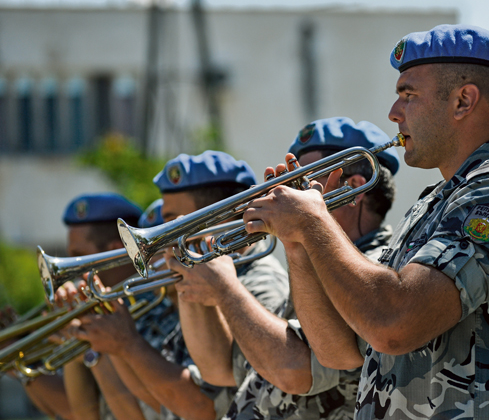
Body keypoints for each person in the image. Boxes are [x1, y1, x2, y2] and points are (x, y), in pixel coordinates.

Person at [242, 24, 489, 419]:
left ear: (463, 101)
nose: (394, 113)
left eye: (409, 95)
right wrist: (297, 240)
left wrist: (314, 222)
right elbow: (339, 352)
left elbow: (394, 323)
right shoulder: (438, 200)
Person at [165, 117, 399, 419]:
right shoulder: (314, 263)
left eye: (302, 184)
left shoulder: (376, 266)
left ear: (353, 188)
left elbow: (294, 371)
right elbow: (222, 369)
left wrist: (227, 288)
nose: (288, 194)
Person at [69, 151, 289, 420]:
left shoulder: (263, 282)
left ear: (220, 217)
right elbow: (153, 408)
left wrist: (125, 345)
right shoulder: (191, 278)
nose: (164, 235)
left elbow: (205, 406)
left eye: (174, 222)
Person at [58, 193, 149, 420]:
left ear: (116, 250)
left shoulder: (151, 305)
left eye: (78, 258)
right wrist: (74, 342)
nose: (71, 272)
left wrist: (93, 351)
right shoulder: (95, 306)